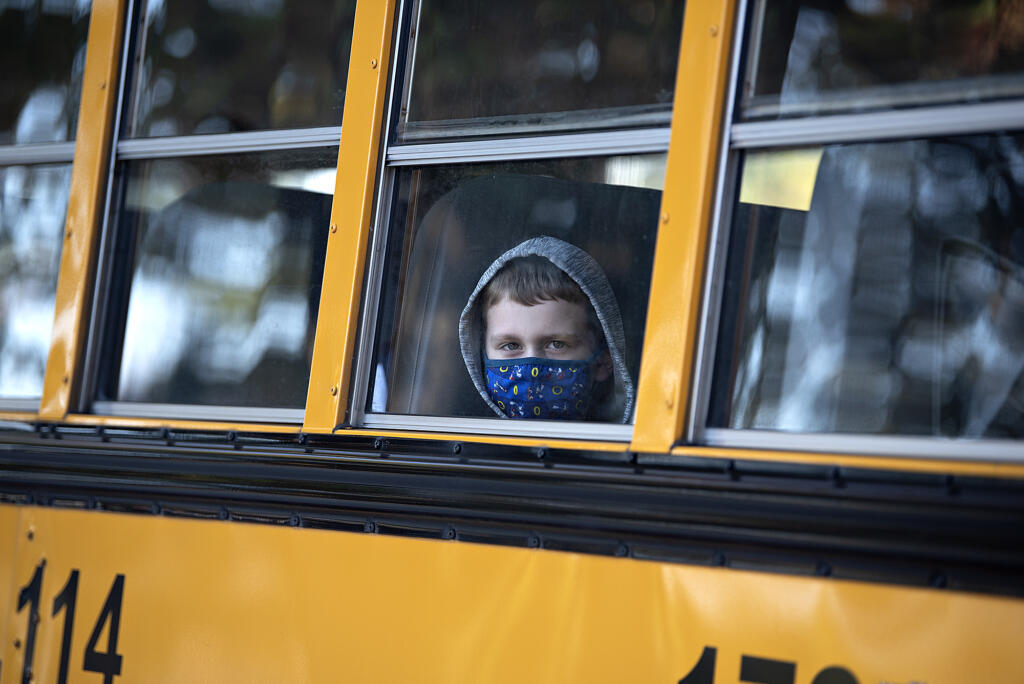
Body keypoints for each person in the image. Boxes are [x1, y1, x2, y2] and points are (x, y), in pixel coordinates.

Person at [459, 236, 634, 422]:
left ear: (603, 360)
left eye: (556, 344)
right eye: (511, 346)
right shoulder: (463, 439)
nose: (531, 369)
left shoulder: (623, 443)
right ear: (481, 356)